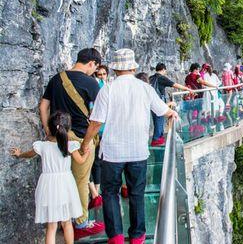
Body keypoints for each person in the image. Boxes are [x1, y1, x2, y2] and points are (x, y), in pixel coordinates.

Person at [81, 49, 179, 244]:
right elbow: (163, 110)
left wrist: (85, 143)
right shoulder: (145, 88)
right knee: (136, 193)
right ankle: (137, 236)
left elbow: (96, 122)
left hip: (112, 152)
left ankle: (116, 237)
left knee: (110, 193)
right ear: (133, 67)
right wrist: (173, 113)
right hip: (137, 151)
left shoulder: (107, 89)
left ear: (115, 69)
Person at [39, 48, 105, 239]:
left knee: (60, 179)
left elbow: (43, 106)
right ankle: (81, 222)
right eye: (95, 67)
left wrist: (49, 131)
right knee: (80, 181)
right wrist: (87, 142)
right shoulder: (91, 83)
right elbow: (98, 115)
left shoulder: (56, 78)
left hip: (57, 137)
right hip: (79, 138)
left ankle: (62, 220)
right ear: (92, 63)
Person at [10, 111, 90, 244]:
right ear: (68, 129)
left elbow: (29, 154)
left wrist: (19, 154)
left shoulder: (42, 146)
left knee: (52, 226)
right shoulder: (69, 145)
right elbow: (81, 161)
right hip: (65, 185)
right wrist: (86, 153)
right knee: (67, 222)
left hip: (48, 186)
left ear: (49, 128)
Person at [149, 63, 192, 146]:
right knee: (159, 119)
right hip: (159, 101)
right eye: (165, 70)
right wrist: (187, 88)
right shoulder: (161, 78)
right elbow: (174, 85)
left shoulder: (151, 78)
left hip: (151, 101)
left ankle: (158, 138)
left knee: (156, 119)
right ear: (163, 69)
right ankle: (157, 139)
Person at [88, 64, 109, 209]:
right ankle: (95, 190)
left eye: (103, 74)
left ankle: (97, 189)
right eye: (99, 74)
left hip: (106, 130)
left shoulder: (109, 88)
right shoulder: (94, 89)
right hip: (96, 130)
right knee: (94, 160)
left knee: (100, 160)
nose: (101, 77)